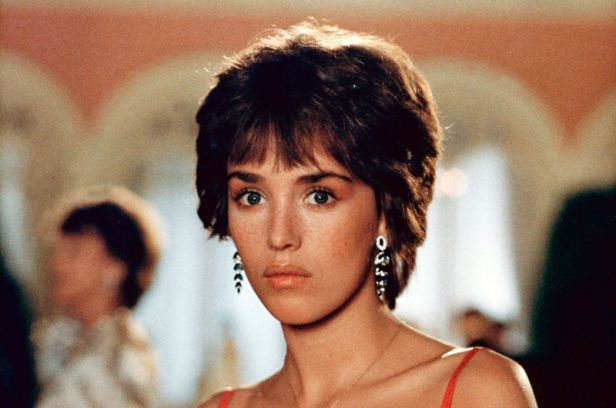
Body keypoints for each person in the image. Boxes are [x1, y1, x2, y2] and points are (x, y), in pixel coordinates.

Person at [195, 21, 537, 407]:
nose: (279, 236)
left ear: (387, 210)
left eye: (319, 196)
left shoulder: (474, 391)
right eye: (252, 197)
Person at [34, 186, 163, 407]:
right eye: (57, 250)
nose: (56, 263)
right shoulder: (55, 340)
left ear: (116, 267)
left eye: (74, 251)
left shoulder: (123, 361)